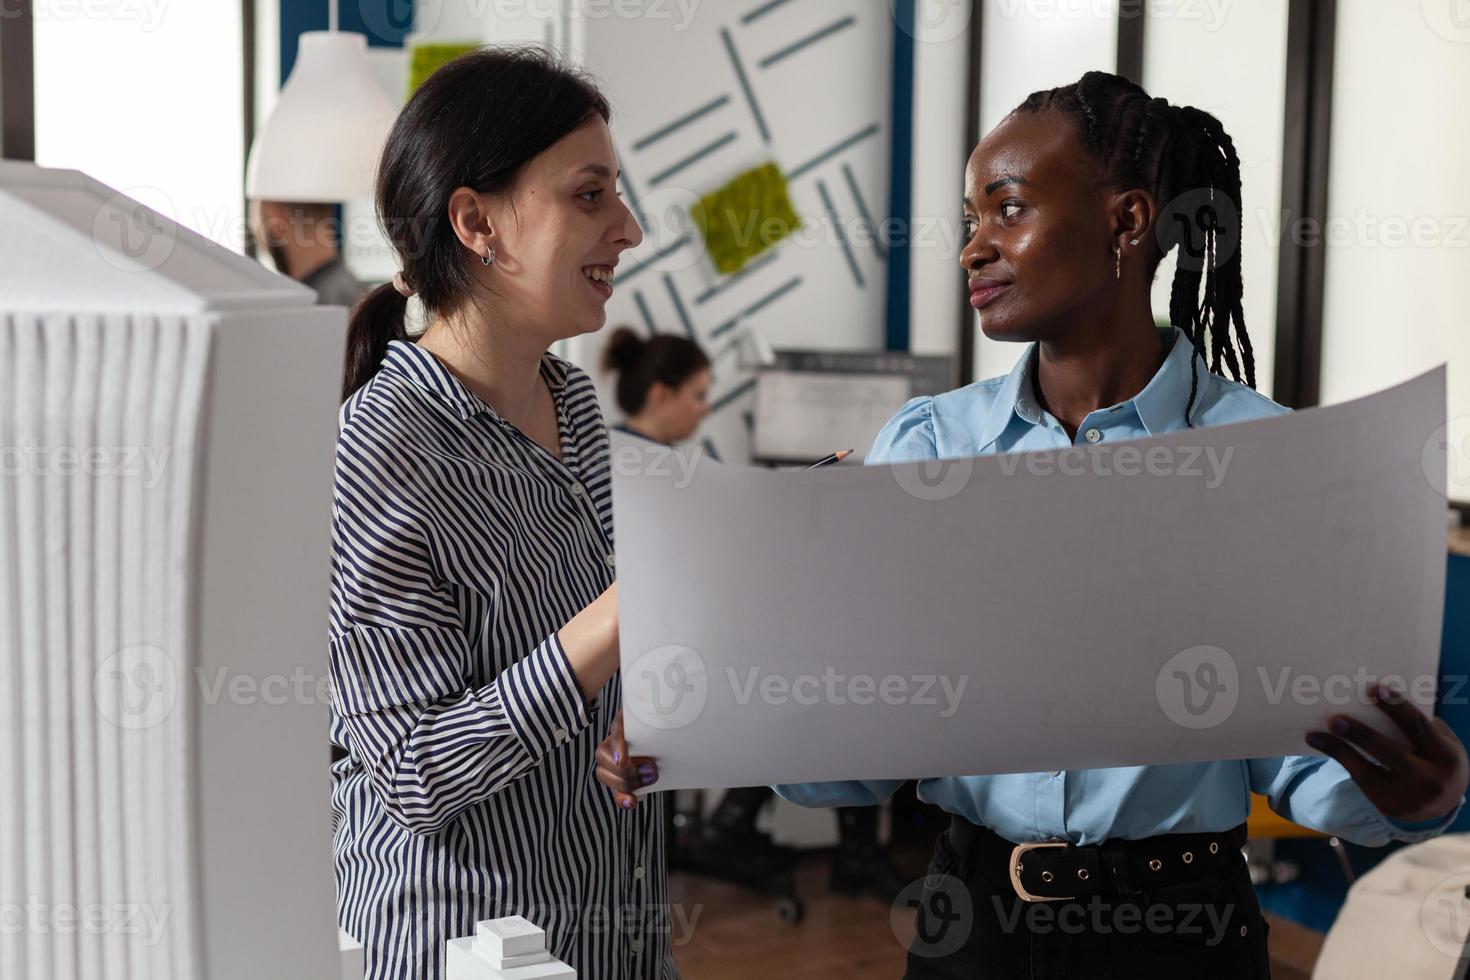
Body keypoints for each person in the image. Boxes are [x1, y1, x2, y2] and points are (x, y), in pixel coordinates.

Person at [597, 71, 1470, 978]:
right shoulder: (927, 446)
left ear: (1127, 223)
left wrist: (1417, 798)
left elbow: (1302, 759)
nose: (975, 248)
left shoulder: (1267, 457)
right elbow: (849, 761)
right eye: (972, 218)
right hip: (966, 920)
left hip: (1181, 932)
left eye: (1007, 210)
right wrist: (709, 722)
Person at [328, 48, 674, 979]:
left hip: (614, 925)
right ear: (477, 221)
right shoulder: (379, 447)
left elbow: (600, 669)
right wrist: (634, 605)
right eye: (590, 196)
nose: (629, 229)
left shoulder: (573, 402)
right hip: (461, 945)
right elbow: (409, 773)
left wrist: (642, 718)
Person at [600, 326, 908, 899]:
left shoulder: (660, 464)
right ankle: (746, 829)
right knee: (803, 682)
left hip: (677, 643)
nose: (705, 408)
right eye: (697, 394)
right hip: (649, 655)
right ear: (660, 394)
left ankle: (742, 826)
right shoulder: (626, 466)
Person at [600, 326, 711, 444]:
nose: (706, 410)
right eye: (699, 396)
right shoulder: (609, 456)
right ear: (661, 394)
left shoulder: (607, 448)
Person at [248, 198, 367, 307]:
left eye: (254, 221)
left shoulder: (304, 312)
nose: (254, 231)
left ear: (276, 219)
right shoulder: (357, 299)